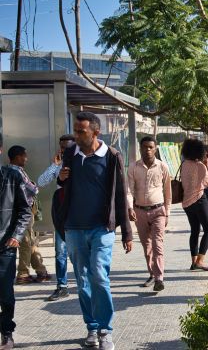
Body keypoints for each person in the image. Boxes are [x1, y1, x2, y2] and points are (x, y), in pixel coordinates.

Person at [57, 111, 133, 350]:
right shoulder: (70, 154)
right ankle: (91, 327)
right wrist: (60, 177)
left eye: (82, 132)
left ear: (96, 132)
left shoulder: (111, 156)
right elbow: (61, 186)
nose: (76, 135)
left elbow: (120, 193)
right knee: (82, 280)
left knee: (99, 276)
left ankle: (105, 329)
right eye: (76, 130)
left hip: (102, 228)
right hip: (74, 228)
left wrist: (127, 233)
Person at [0, 134, 33, 350]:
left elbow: (24, 208)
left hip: (5, 245)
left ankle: (6, 332)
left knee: (5, 292)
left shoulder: (11, 175)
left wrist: (16, 235)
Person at [127, 136, 172, 292]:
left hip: (158, 211)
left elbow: (168, 192)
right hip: (139, 211)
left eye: (150, 147)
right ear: (140, 148)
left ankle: (159, 278)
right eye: (144, 147)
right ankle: (152, 274)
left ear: (155, 148)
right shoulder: (133, 167)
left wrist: (167, 213)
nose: (147, 150)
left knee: (157, 244)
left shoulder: (162, 167)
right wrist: (130, 207)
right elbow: (129, 190)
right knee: (147, 246)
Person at [37, 134, 75, 301]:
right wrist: (55, 165)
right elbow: (41, 181)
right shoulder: (58, 165)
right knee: (60, 251)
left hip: (79, 212)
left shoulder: (82, 162)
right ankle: (62, 286)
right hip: (61, 211)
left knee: (80, 252)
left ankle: (87, 282)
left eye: (67, 147)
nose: (64, 150)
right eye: (62, 147)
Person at [7, 146, 49, 285]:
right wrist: (34, 186)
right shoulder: (18, 173)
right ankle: (23, 274)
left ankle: (40, 270)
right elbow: (32, 189)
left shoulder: (7, 171)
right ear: (18, 157)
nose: (26, 158)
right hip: (24, 212)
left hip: (16, 212)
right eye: (24, 155)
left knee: (31, 240)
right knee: (26, 242)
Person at [180, 139, 208, 271]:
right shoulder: (200, 166)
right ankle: (200, 261)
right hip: (199, 200)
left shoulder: (184, 164)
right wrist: (206, 165)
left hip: (187, 203)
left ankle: (194, 261)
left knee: (194, 231)